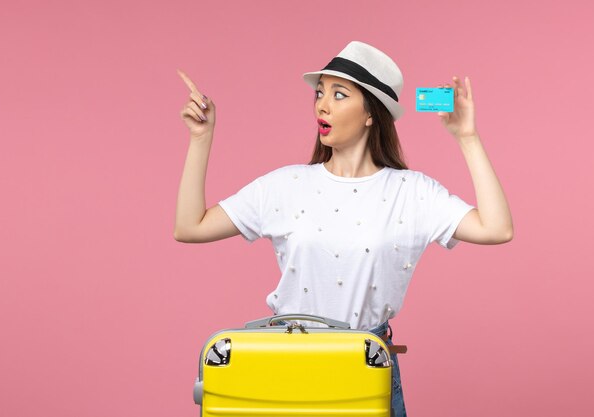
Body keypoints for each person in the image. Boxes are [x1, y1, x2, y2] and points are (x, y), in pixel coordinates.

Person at [173, 41, 513, 417]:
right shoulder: (286, 185)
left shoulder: (412, 192)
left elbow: (496, 228)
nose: (322, 104)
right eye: (320, 93)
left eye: (339, 94)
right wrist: (200, 140)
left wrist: (468, 138)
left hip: (364, 370)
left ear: (371, 112)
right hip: (286, 368)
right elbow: (190, 226)